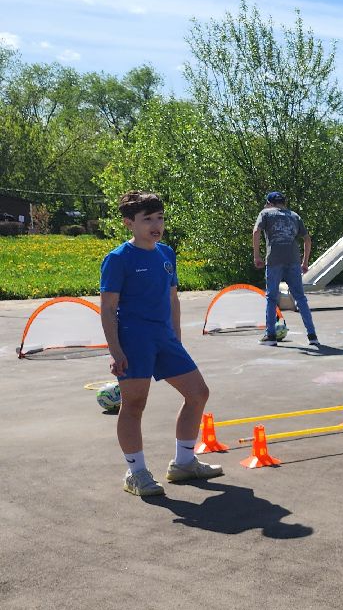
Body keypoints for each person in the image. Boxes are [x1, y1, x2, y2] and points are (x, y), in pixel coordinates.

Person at [99, 190, 222, 497]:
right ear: (130, 223)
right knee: (134, 404)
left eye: (160, 218)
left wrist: (176, 339)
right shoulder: (118, 259)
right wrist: (116, 350)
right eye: (148, 219)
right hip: (134, 339)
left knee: (198, 393)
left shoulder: (166, 253)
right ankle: (136, 472)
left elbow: (172, 299)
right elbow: (107, 307)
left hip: (164, 338)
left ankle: (183, 463)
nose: (156, 224)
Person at [252, 191, 318, 345]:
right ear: (284, 203)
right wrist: (305, 262)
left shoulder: (265, 213)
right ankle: (312, 336)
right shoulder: (294, 216)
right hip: (293, 261)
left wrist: (257, 256)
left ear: (269, 202)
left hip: (274, 260)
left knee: (271, 297)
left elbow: (256, 232)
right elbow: (307, 239)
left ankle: (271, 336)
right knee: (300, 298)